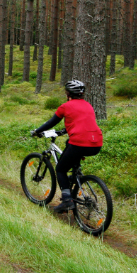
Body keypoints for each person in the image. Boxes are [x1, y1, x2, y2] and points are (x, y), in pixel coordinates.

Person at [31, 80, 103, 214]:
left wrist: (37, 131)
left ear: (68, 93)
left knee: (60, 169)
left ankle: (67, 201)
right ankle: (73, 178)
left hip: (79, 142)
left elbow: (51, 123)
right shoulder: (88, 105)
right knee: (68, 148)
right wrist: (63, 131)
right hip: (96, 143)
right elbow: (81, 123)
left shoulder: (65, 106)